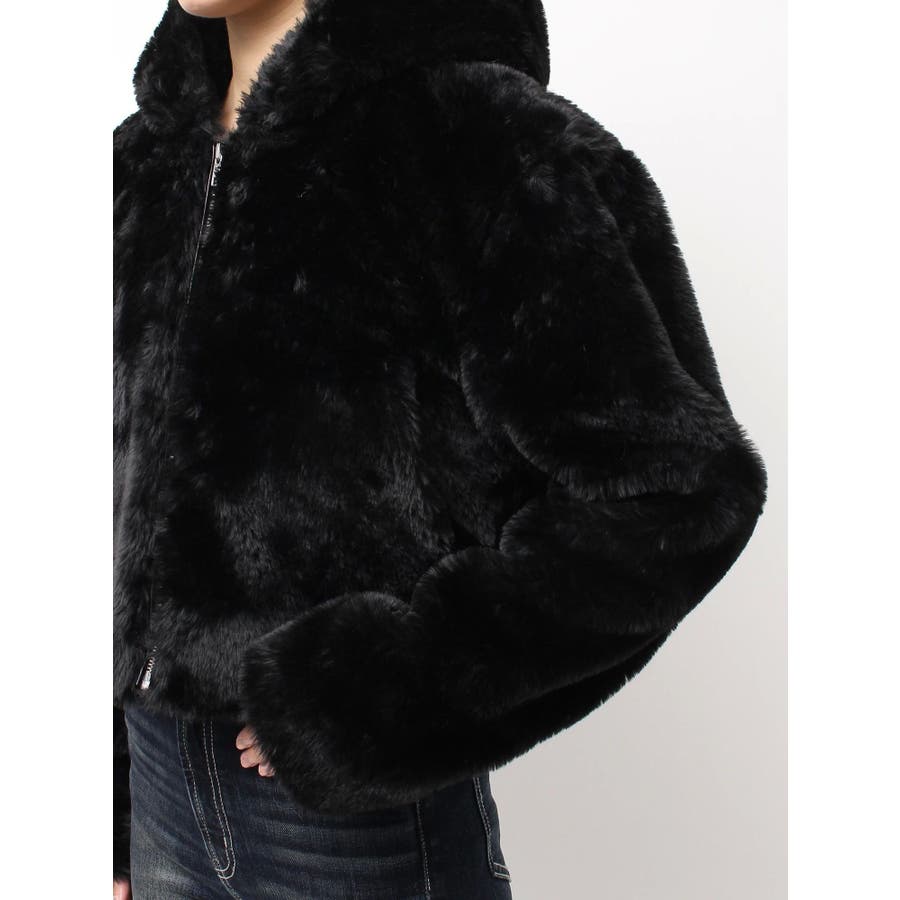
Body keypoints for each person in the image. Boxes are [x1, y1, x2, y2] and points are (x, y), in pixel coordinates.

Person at [113, 0, 768, 896]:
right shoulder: (139, 161)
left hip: (343, 827)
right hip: (155, 787)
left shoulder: (482, 142)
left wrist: (383, 697)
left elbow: (679, 493)